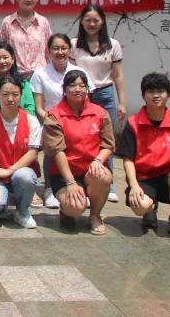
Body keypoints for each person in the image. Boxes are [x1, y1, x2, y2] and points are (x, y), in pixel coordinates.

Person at [116, 72, 170, 240]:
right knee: (140, 206)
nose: (156, 95)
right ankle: (150, 209)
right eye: (151, 91)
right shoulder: (133, 123)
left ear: (168, 95)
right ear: (143, 96)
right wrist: (134, 185)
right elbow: (128, 158)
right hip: (143, 178)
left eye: (161, 91)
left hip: (167, 177)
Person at [43, 70, 115, 235]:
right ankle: (66, 211)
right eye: (72, 85)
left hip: (91, 170)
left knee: (103, 175)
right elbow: (57, 151)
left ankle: (95, 216)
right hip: (64, 174)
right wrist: (70, 182)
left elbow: (108, 145)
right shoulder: (54, 115)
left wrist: (98, 161)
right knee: (75, 208)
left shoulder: (100, 113)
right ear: (64, 89)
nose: (78, 89)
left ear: (88, 89)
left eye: (82, 86)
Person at [72, 3, 127, 203]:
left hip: (105, 93)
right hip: (81, 94)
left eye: (96, 20)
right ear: (81, 21)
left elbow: (118, 75)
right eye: (88, 20)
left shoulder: (113, 44)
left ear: (102, 21)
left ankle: (108, 183)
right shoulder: (74, 44)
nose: (92, 24)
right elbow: (70, 74)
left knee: (106, 139)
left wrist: (122, 102)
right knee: (80, 138)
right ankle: (81, 180)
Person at [30, 34, 91, 208]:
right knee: (52, 149)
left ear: (70, 50)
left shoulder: (80, 72)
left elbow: (87, 101)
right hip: (51, 121)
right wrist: (53, 122)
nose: (60, 52)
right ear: (49, 51)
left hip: (78, 121)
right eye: (55, 48)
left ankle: (82, 188)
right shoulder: (40, 74)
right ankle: (50, 188)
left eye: (64, 48)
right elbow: (39, 107)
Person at [0, 77, 42, 229]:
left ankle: (22, 211)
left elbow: (32, 153)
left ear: (21, 95)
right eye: (5, 94)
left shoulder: (31, 121)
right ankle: (2, 205)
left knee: (25, 176)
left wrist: (9, 170)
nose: (10, 99)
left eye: (15, 94)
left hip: (19, 172)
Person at [0, 0, 51, 79]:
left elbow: (48, 53)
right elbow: (2, 51)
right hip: (14, 78)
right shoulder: (7, 22)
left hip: (40, 77)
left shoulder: (43, 22)